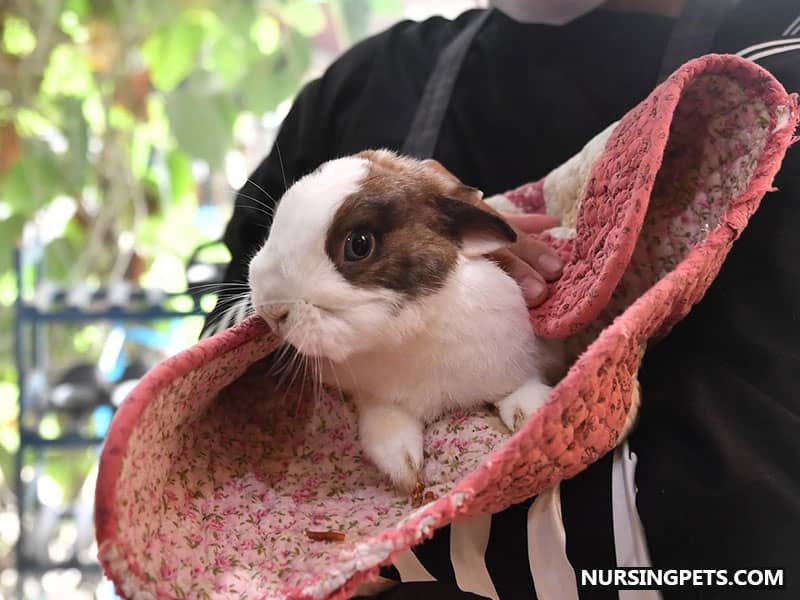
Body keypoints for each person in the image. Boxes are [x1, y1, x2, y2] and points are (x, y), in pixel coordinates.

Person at [203, 1, 800, 597]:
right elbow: (219, 369)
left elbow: (751, 528)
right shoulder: (360, 86)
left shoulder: (770, 70)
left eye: (360, 243)